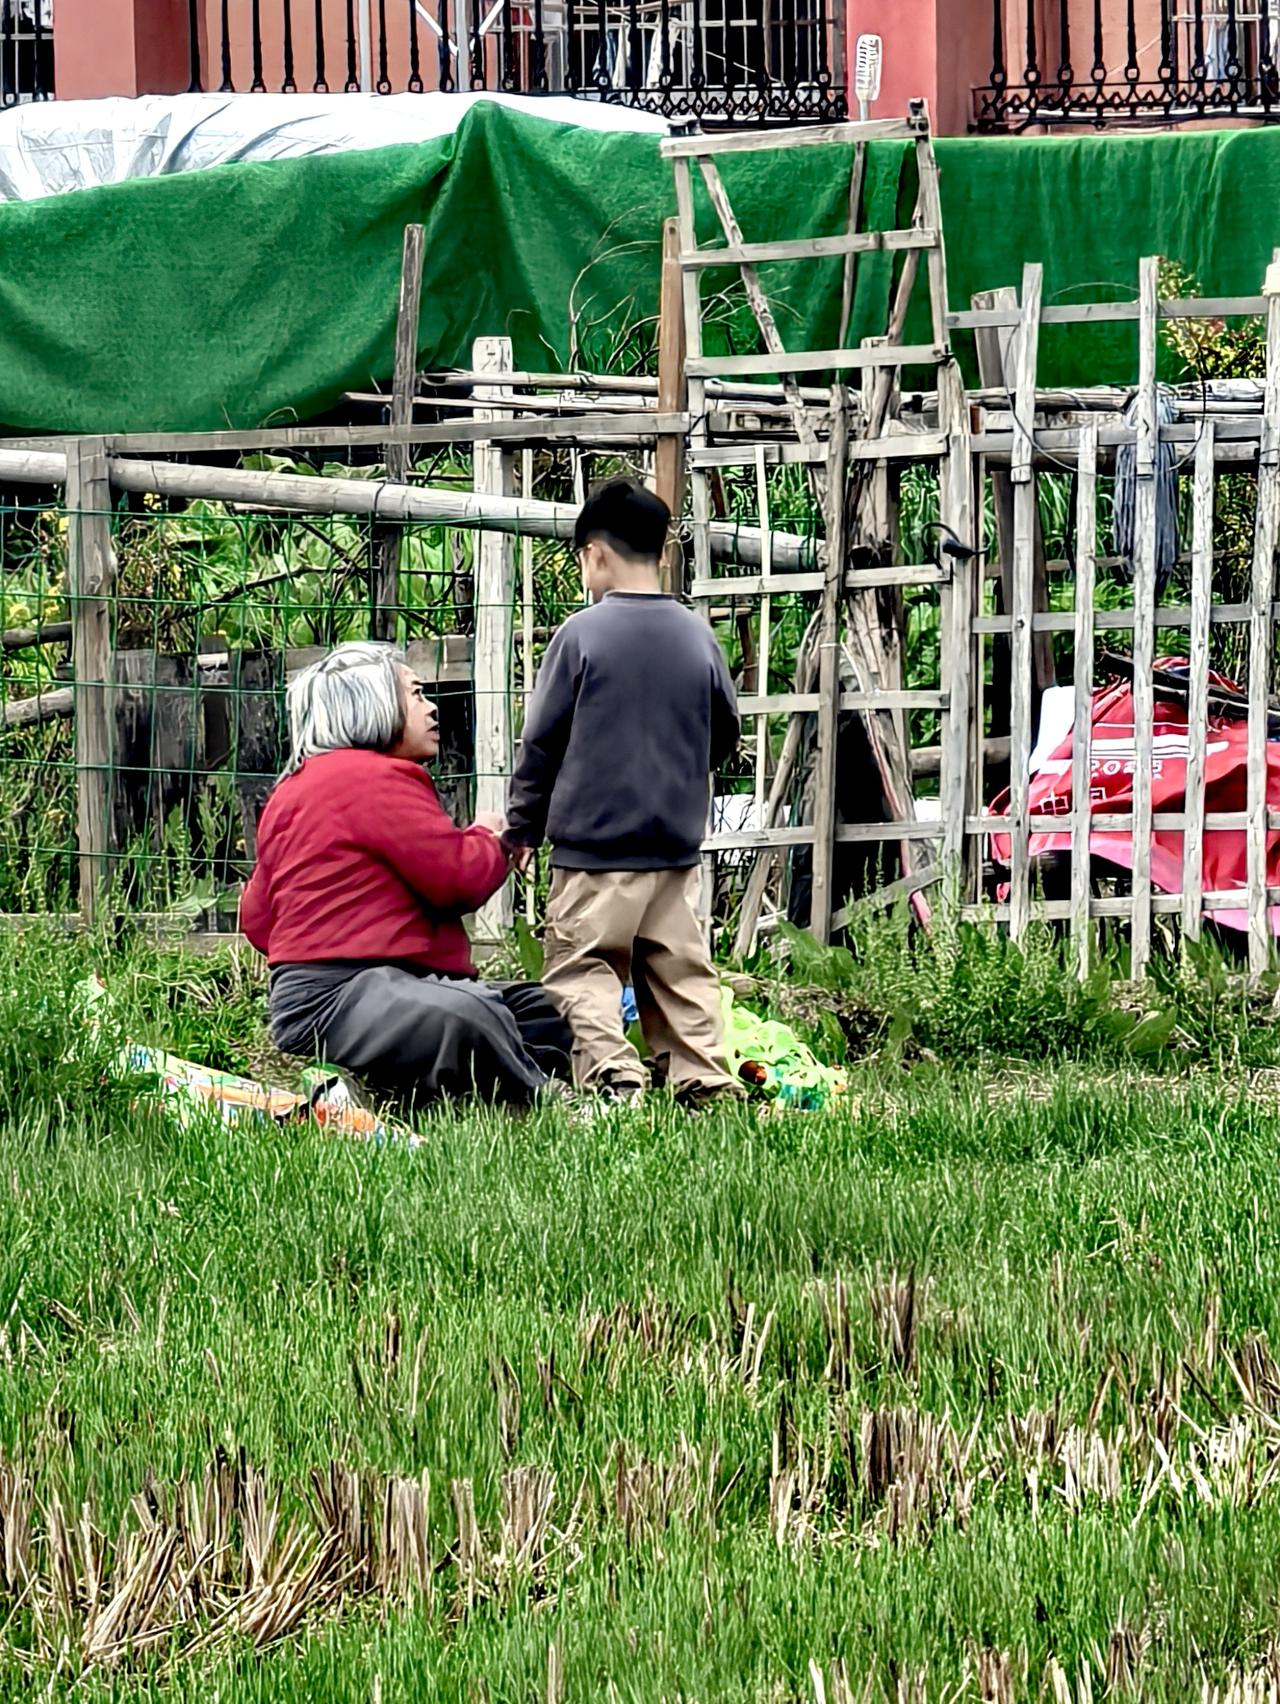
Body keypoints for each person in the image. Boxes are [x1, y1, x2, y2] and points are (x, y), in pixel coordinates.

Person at [239, 641, 571, 1109]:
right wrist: (495, 840)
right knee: (475, 1014)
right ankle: (546, 1100)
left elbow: (257, 921)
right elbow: (457, 878)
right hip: (337, 995)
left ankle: (456, 1089)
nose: (432, 707)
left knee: (540, 1008)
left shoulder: (289, 792)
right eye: (415, 695)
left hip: (342, 996)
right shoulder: (371, 778)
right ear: (371, 705)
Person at [504, 477, 742, 1108]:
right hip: (673, 850)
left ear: (594, 555)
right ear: (662, 554)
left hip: (594, 854)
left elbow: (541, 743)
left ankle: (615, 1079)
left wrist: (522, 826)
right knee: (683, 973)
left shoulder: (581, 636)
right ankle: (705, 1082)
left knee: (583, 967)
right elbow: (726, 733)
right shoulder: (697, 636)